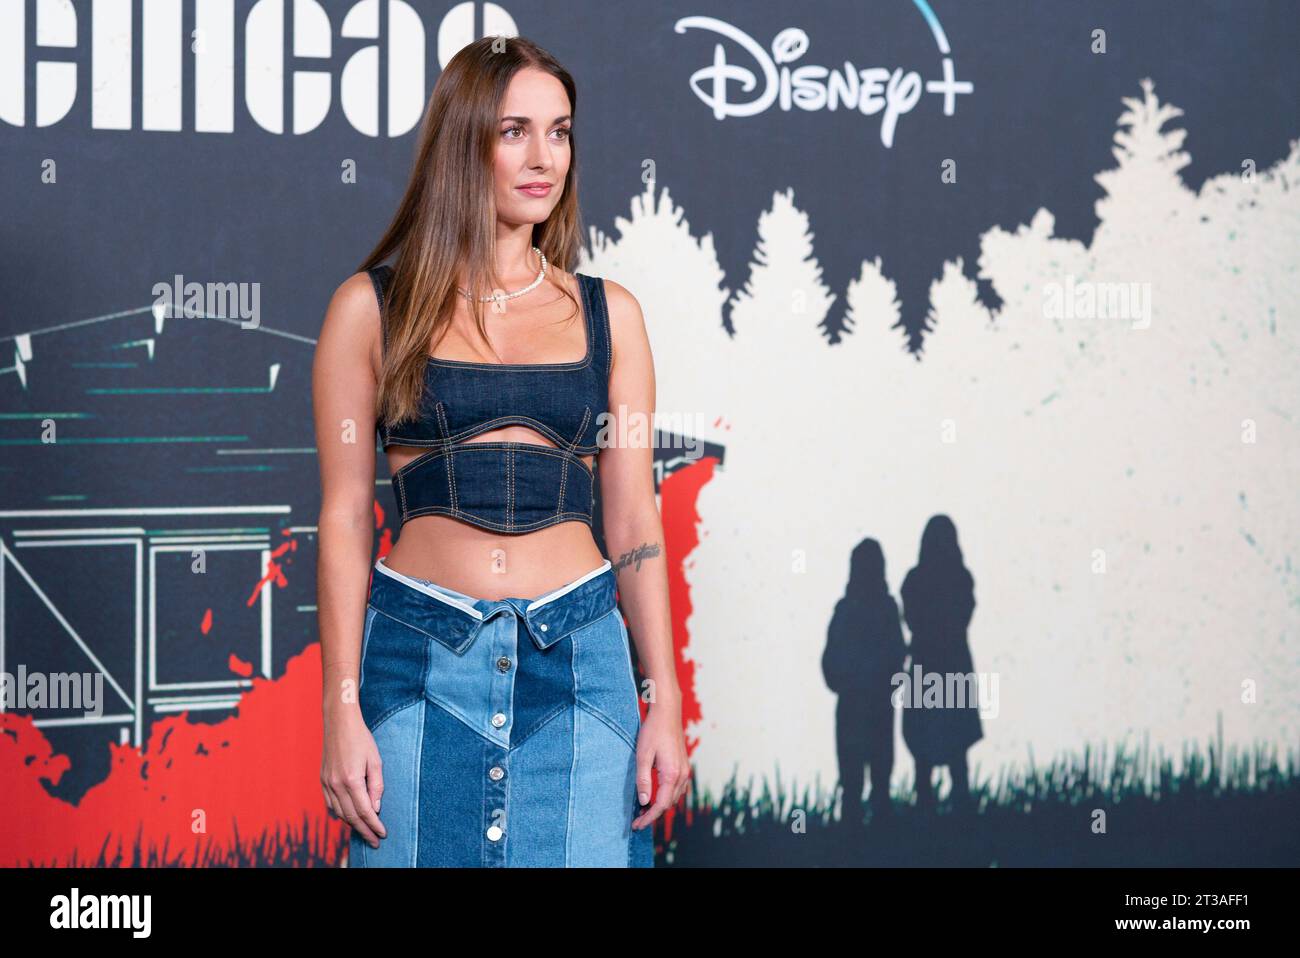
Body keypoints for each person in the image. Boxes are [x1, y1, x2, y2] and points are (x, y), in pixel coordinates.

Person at [313, 36, 687, 867]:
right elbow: (343, 518)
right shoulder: (368, 310)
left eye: (560, 131)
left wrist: (662, 697)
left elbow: (631, 516)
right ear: (464, 139)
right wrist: (343, 709)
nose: (543, 156)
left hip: (582, 670)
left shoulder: (610, 314)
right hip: (416, 668)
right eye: (515, 129)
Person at [900, 515, 982, 813]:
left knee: (930, 745)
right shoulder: (961, 578)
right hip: (949, 665)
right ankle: (956, 806)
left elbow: (914, 618)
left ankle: (930, 807)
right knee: (952, 744)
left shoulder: (916, 580)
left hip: (929, 666)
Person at [822, 539, 906, 827]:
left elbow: (829, 662)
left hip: (855, 706)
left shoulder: (846, 610)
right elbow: (898, 655)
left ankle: (853, 844)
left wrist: (848, 682)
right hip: (876, 706)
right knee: (876, 782)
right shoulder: (885, 609)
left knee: (853, 785)